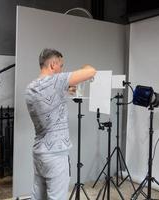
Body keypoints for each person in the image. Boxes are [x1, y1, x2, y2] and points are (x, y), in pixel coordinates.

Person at [25, 48, 96, 200]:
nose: (62, 69)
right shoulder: (56, 81)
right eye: (61, 65)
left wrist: (64, 91)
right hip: (56, 156)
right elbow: (91, 71)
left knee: (37, 197)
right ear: (52, 65)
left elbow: (48, 101)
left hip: (39, 153)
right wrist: (84, 67)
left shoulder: (31, 88)